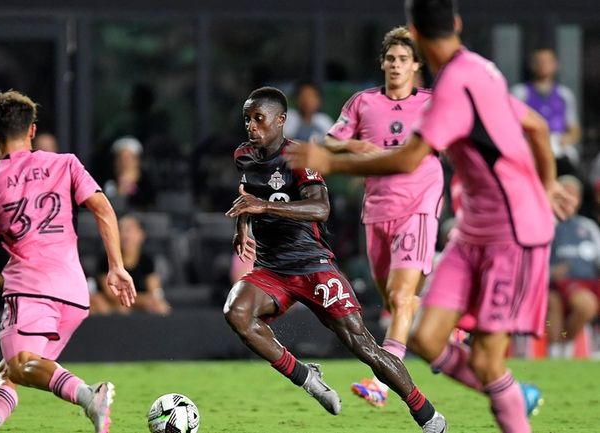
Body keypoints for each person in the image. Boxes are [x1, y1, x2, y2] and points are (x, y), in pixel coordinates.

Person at [286, 1, 577, 431]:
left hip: (511, 230)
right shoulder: (481, 70)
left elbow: (408, 160)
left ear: (415, 37)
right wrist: (549, 181)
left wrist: (333, 164)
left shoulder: (449, 90)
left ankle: (487, 393)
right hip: (468, 228)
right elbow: (535, 126)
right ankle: (509, 389)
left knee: (481, 357)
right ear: (456, 24)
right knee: (422, 335)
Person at [0, 90, 137, 433]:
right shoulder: (66, 163)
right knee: (10, 369)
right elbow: (104, 208)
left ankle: (91, 396)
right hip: (74, 294)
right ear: (32, 130)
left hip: (30, 289)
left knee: (20, 365)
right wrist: (116, 266)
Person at [224, 86, 447, 432]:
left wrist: (265, 207)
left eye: (259, 119)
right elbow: (249, 192)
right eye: (247, 119)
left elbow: (321, 208)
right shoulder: (244, 154)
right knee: (236, 312)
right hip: (271, 268)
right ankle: (307, 378)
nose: (251, 126)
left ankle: (427, 415)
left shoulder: (300, 158)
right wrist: (243, 225)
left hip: (313, 267)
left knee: (362, 345)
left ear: (281, 120)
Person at [324, 26, 443, 407]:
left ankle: (384, 382)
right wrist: (354, 144)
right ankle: (448, 333)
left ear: (416, 66)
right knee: (394, 300)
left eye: (403, 59)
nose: (395, 65)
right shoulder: (363, 102)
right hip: (377, 208)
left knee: (401, 295)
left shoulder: (432, 102)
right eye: (390, 59)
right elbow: (331, 139)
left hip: (419, 205)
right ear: (382, 63)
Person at [548, 175, 600, 358]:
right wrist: (551, 273)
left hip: (589, 282)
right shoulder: (547, 225)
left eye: (573, 195)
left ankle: (564, 345)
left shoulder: (588, 226)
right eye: (565, 194)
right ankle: (561, 347)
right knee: (585, 305)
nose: (569, 199)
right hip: (558, 284)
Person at [512, 48, 582, 169]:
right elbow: (511, 126)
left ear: (556, 65)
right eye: (539, 61)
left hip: (558, 150)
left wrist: (560, 142)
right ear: (532, 65)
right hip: (529, 149)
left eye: (548, 61)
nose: (543, 65)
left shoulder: (564, 95)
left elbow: (575, 130)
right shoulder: (520, 93)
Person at [97, 214, 171, 315]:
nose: (125, 235)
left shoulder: (147, 261)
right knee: (109, 306)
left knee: (161, 307)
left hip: (138, 306)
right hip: (115, 305)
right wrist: (143, 300)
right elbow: (111, 294)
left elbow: (154, 291)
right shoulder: (107, 259)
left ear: (140, 235)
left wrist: (155, 301)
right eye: (121, 230)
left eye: (129, 230)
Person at [102, 136, 156, 212]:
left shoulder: (147, 185)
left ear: (137, 161)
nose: (124, 163)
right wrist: (120, 190)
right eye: (120, 159)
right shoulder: (108, 183)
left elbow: (149, 206)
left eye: (128, 158)